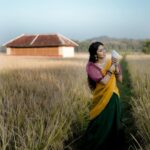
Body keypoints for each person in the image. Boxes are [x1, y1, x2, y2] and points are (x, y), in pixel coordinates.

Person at [79, 41, 123, 150]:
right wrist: (111, 69)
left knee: (112, 122)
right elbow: (103, 82)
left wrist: (116, 67)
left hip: (113, 95)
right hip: (100, 97)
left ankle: (112, 145)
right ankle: (97, 144)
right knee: (99, 121)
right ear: (95, 54)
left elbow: (120, 80)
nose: (104, 52)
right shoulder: (91, 66)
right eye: (100, 50)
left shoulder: (111, 62)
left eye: (104, 49)